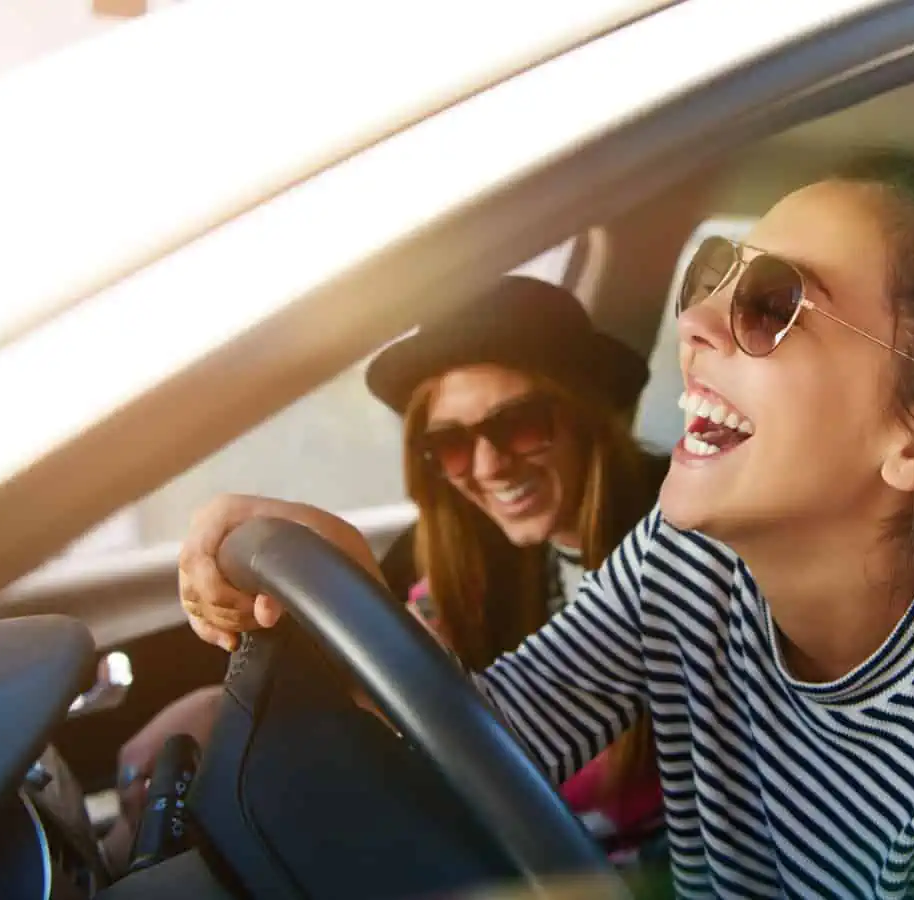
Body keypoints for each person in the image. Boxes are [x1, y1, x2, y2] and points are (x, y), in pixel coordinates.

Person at [179, 155, 914, 898]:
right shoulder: (694, 565)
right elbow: (495, 742)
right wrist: (345, 599)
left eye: (772, 303)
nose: (692, 322)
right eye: (717, 273)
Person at [114, 277, 669, 872]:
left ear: (587, 415)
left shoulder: (677, 543)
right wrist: (218, 708)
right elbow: (465, 713)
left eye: (521, 425)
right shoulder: (466, 544)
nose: (487, 466)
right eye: (451, 443)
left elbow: (508, 731)